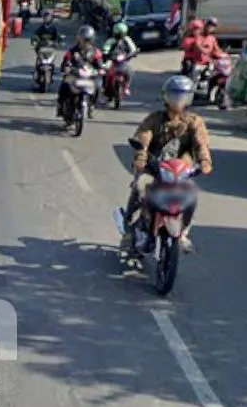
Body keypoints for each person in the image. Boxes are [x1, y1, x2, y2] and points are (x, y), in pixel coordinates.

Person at [120, 74, 213, 253]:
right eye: (174, 95)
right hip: (154, 167)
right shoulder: (155, 118)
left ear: (189, 98)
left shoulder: (194, 122)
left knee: (191, 196)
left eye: (182, 96)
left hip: (181, 171)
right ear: (166, 97)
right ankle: (129, 230)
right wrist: (141, 157)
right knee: (141, 186)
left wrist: (204, 161)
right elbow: (143, 136)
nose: (178, 100)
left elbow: (201, 143)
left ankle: (183, 233)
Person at [58, 24, 102, 117]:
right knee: (64, 86)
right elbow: (66, 62)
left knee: (98, 86)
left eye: (88, 40)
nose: (85, 42)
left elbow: (99, 64)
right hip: (74, 75)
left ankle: (92, 105)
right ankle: (60, 106)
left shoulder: (95, 52)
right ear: (79, 39)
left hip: (89, 76)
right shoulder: (72, 51)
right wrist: (66, 68)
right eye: (83, 40)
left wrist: (101, 70)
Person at [103, 20, 139, 98]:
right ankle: (105, 87)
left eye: (121, 34)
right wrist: (106, 53)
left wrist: (133, 53)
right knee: (105, 70)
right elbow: (106, 47)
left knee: (130, 71)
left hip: (124, 60)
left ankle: (126, 87)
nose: (120, 36)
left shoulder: (127, 40)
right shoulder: (111, 40)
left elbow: (133, 48)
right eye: (118, 34)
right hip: (112, 60)